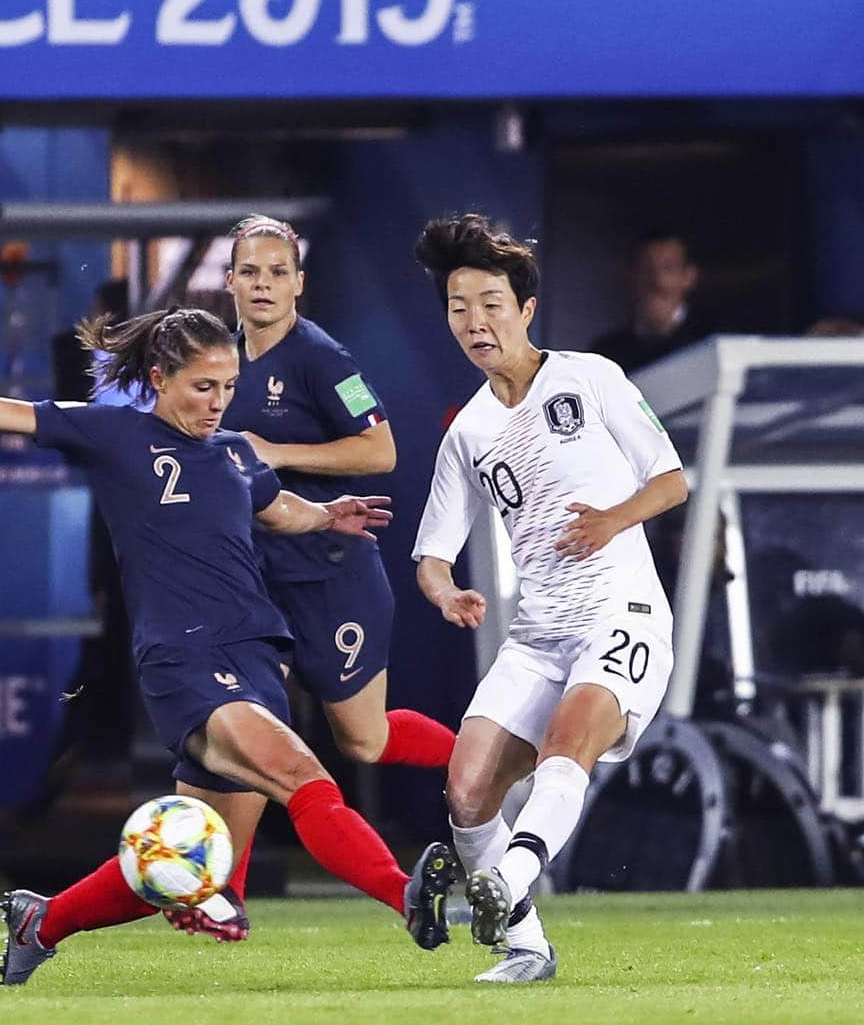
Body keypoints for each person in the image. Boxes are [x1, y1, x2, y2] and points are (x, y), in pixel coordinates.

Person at [0, 307, 457, 987]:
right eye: (202, 387)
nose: (218, 403)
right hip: (184, 662)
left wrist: (326, 514)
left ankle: (43, 922)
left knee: (186, 865)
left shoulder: (237, 453)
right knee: (306, 778)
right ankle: (404, 897)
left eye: (229, 386)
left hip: (256, 660)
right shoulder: (116, 434)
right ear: (158, 377)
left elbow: (278, 510)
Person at [411, 214, 688, 983]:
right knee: (467, 790)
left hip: (619, 614)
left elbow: (672, 480)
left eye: (490, 304)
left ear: (525, 311)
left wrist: (611, 519)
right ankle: (527, 944)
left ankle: (509, 880)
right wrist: (445, 593)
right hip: (537, 636)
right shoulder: (467, 433)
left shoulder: (590, 377)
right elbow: (431, 553)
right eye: (459, 308)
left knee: (571, 743)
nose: (475, 322)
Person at [167, 215, 457, 942]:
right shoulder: (222, 361)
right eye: (250, 272)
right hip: (254, 582)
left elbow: (381, 451)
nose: (263, 285)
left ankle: (484, 760)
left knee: (361, 741)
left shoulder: (322, 357)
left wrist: (277, 447)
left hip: (330, 576)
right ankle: (222, 895)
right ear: (229, 282)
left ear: (299, 282)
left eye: (277, 272)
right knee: (255, 729)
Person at [591, 230, 710, 373]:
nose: (657, 282)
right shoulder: (605, 356)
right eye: (646, 269)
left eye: (668, 269)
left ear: (689, 277)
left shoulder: (710, 343)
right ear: (630, 276)